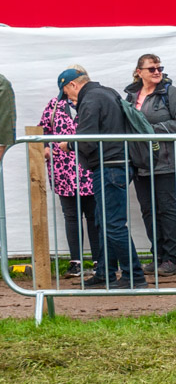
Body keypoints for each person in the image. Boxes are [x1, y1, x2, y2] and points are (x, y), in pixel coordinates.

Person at [66, 69, 145, 289]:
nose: (69, 100)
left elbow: (88, 140)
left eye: (67, 94)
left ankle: (134, 275)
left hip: (109, 166)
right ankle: (105, 272)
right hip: (116, 164)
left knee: (113, 224)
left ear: (72, 85)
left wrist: (69, 144)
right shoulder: (107, 92)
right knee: (104, 222)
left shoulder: (89, 99)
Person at [123, 54, 176, 277]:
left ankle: (172, 258)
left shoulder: (170, 93)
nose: (156, 72)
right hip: (140, 162)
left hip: (166, 162)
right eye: (151, 68)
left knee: (167, 209)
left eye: (159, 68)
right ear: (138, 72)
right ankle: (158, 255)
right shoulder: (131, 96)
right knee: (148, 211)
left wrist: (151, 130)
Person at [39, 68, 98, 280]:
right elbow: (43, 130)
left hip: (89, 169)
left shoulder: (91, 102)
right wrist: (45, 146)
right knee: (71, 216)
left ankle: (99, 260)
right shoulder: (54, 106)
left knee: (94, 216)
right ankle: (76, 261)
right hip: (63, 170)